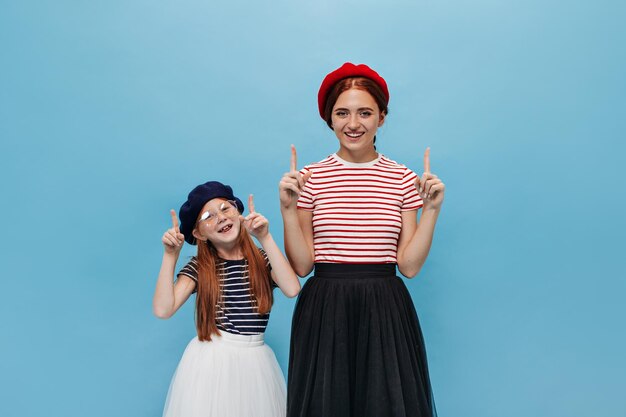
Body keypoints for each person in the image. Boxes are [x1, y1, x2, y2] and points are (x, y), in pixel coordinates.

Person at [279, 63, 445, 417]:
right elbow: (303, 265)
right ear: (330, 119)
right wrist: (288, 210)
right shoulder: (309, 177)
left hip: (384, 305)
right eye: (342, 113)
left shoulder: (402, 179)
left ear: (382, 117)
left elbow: (410, 266)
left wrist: (431, 209)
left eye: (365, 112)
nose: (353, 123)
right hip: (325, 305)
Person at [154, 181, 300, 417]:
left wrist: (265, 237)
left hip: (257, 361)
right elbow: (163, 309)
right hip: (214, 363)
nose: (221, 217)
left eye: (225, 208)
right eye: (209, 216)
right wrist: (170, 256)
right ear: (198, 233)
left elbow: (292, 288)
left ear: (239, 213)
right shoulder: (200, 267)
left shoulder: (262, 259)